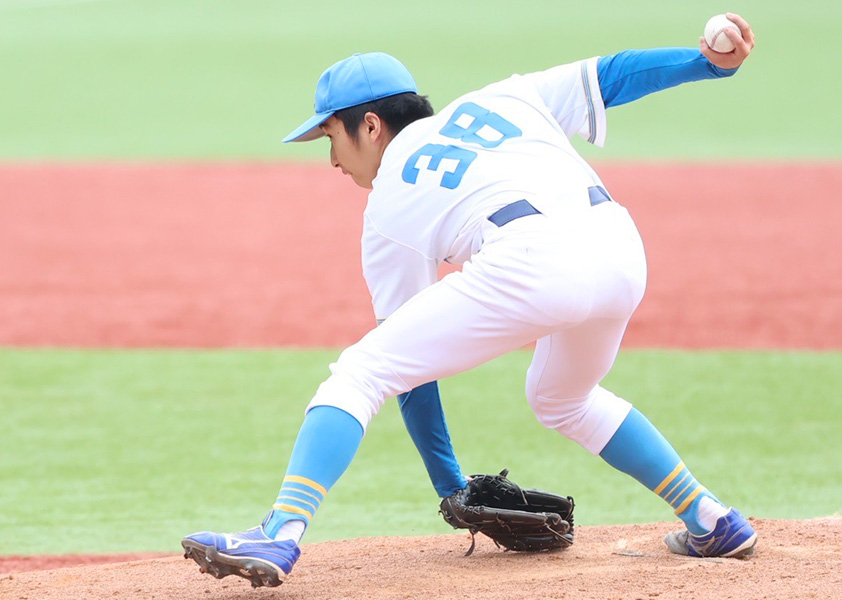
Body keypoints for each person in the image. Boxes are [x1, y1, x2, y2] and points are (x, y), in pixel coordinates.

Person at [182, 14, 758, 588]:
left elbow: (409, 374)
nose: (332, 159)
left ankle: (281, 532)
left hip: (532, 261)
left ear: (372, 125)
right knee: (561, 398)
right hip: (622, 252)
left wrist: (449, 485)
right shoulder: (505, 98)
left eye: (331, 136)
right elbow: (609, 75)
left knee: (360, 371)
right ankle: (710, 518)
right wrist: (705, 63)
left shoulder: (387, 208)